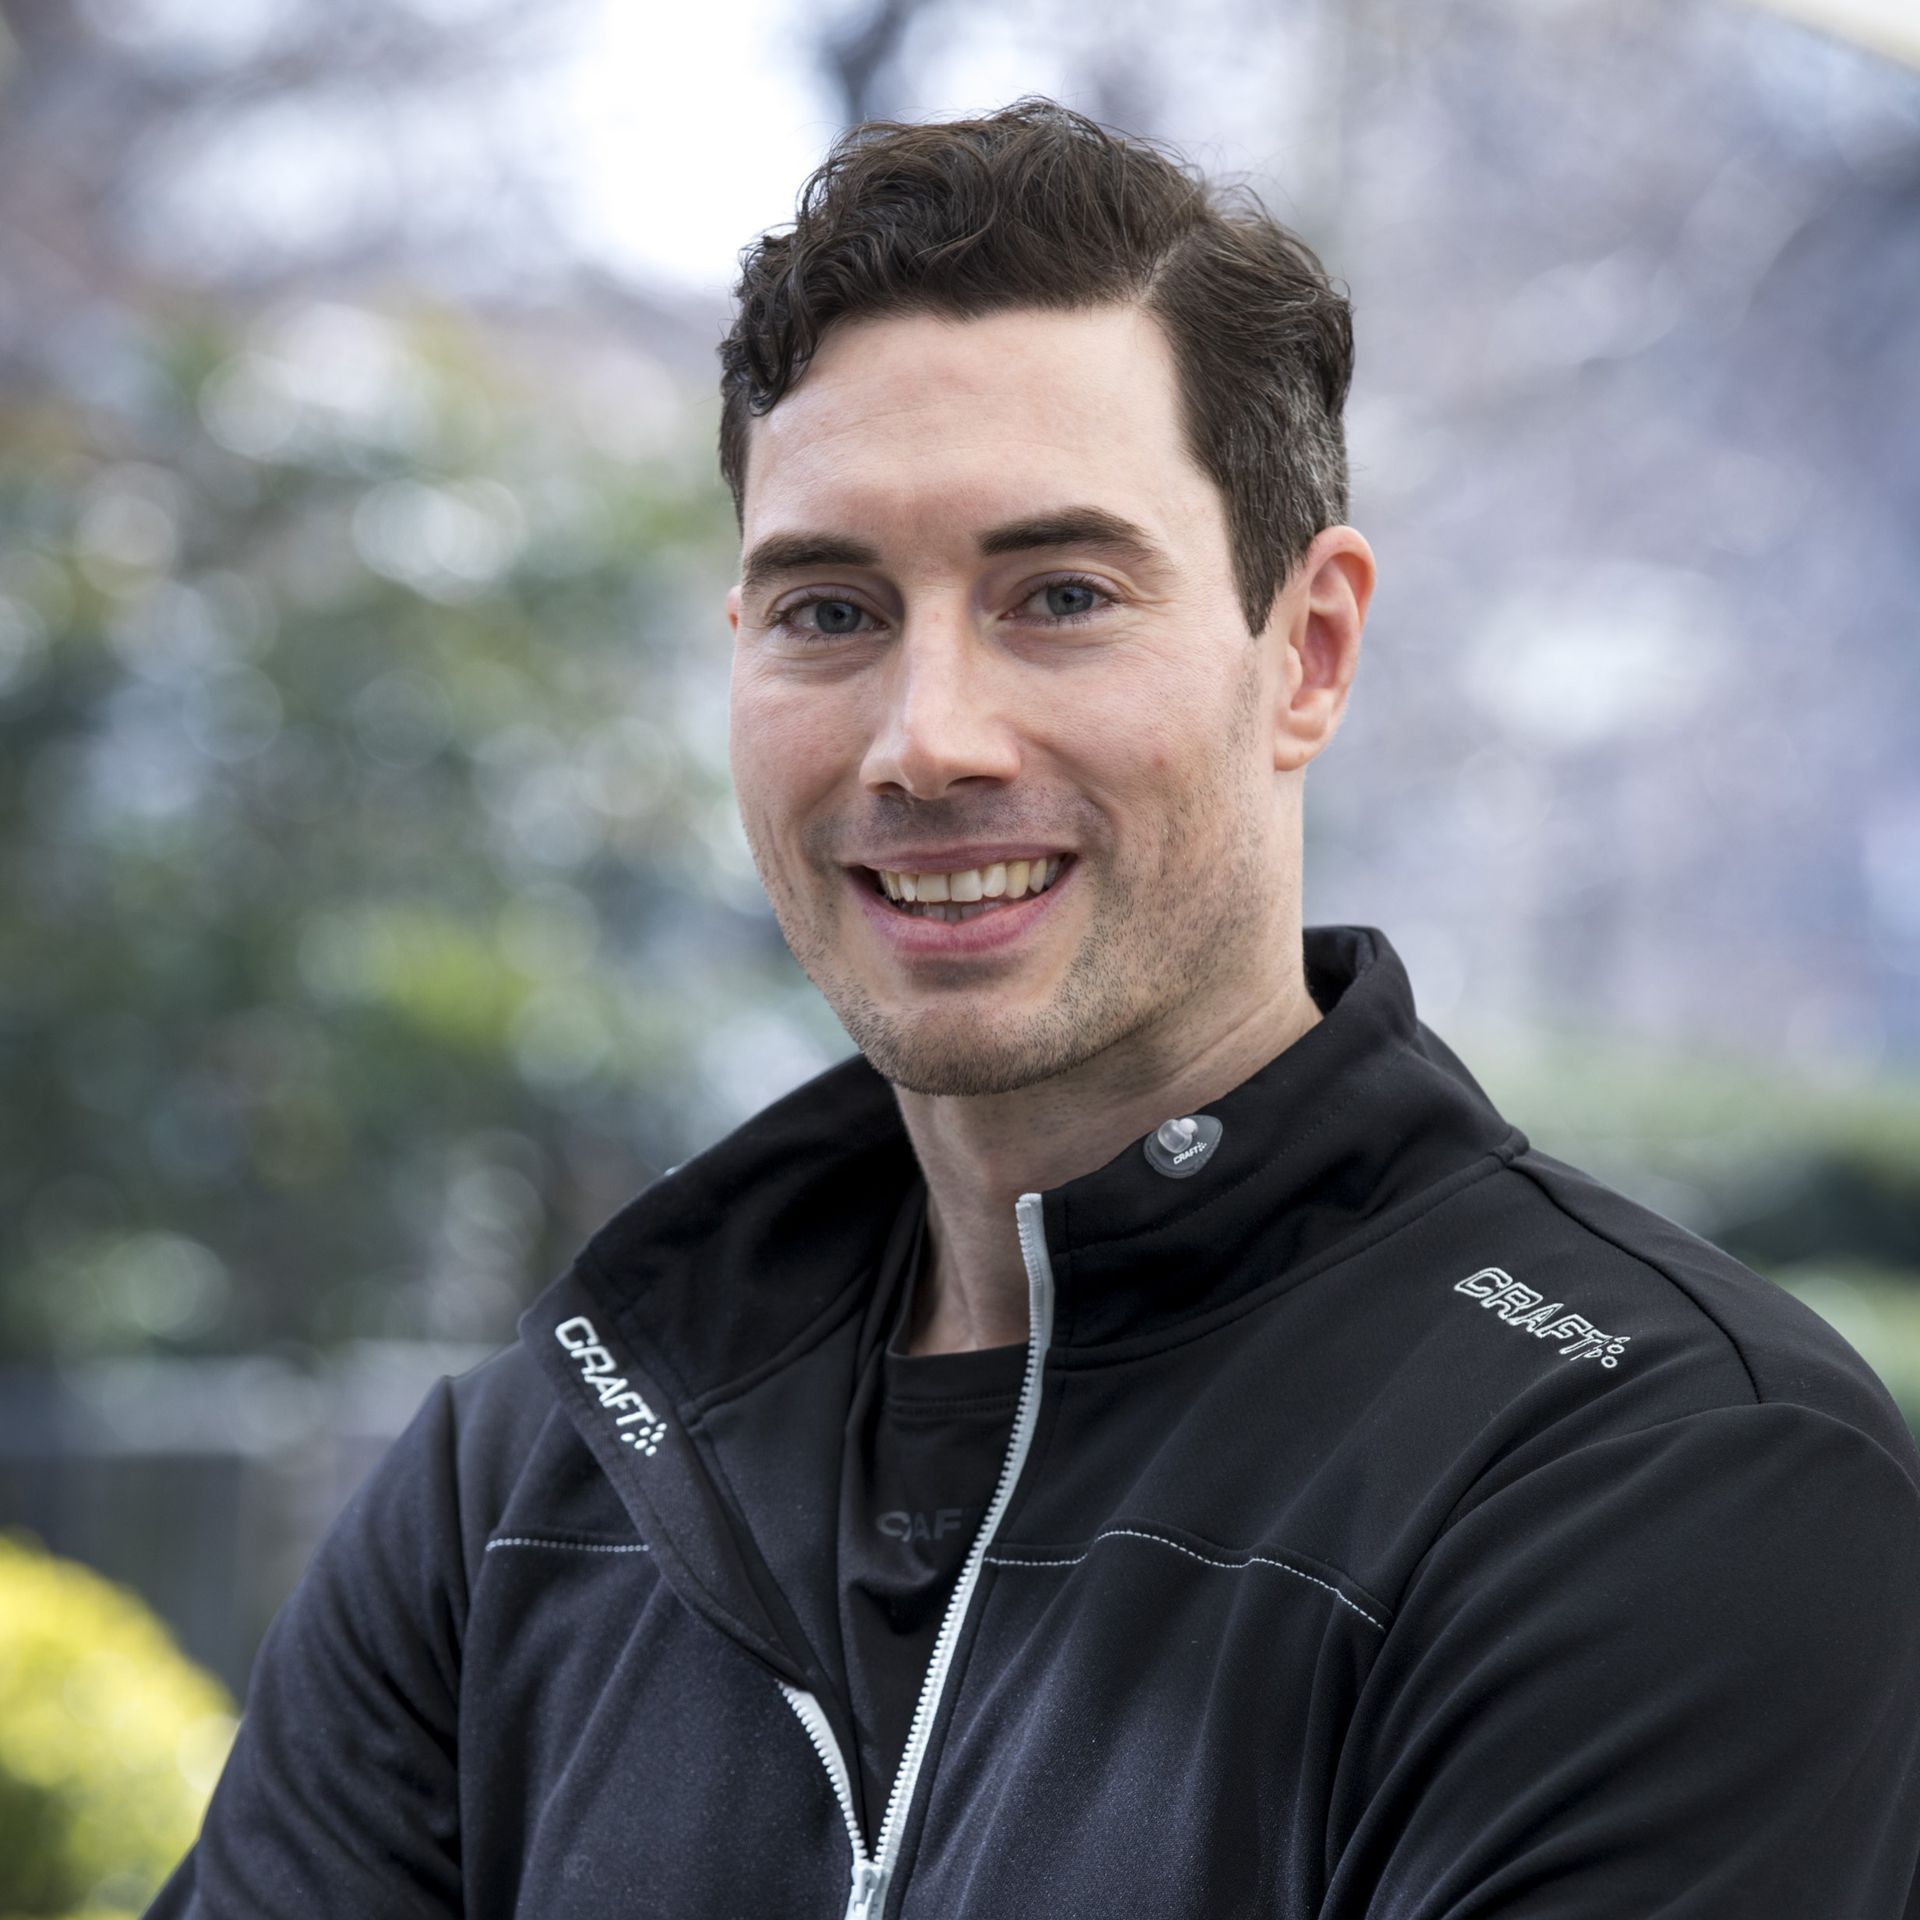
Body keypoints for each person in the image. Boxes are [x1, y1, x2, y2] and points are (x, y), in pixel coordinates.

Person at [148, 96, 1920, 1920]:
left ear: (1305, 651)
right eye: (828, 611)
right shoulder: (521, 1479)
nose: (929, 740)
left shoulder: (1657, 1471)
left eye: (1059, 594)